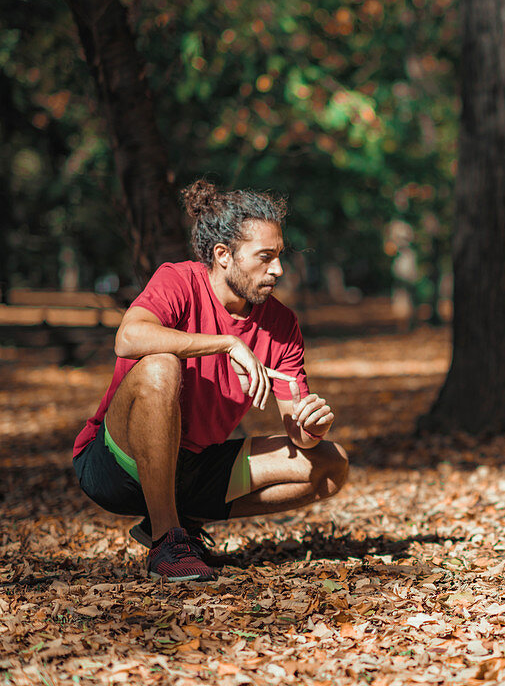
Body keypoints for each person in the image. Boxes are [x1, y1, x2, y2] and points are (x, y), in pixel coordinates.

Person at [72, 180, 349, 582]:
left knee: (330, 464)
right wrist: (225, 343)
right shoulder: (178, 280)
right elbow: (128, 339)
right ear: (223, 255)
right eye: (265, 257)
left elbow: (298, 433)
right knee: (158, 365)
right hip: (117, 465)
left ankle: (177, 521)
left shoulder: (282, 324)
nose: (278, 269)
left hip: (196, 467)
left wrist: (311, 428)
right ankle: (168, 541)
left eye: (280, 256)